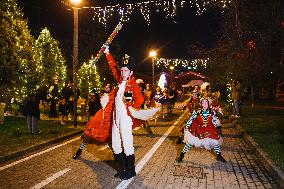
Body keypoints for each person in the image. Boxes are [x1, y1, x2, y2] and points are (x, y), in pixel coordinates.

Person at [176, 98, 226, 163]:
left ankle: (219, 156)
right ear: (201, 104)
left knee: (216, 142)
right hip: (198, 129)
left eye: (206, 103)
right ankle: (181, 155)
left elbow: (213, 121)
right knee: (189, 143)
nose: (204, 104)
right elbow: (191, 119)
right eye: (203, 103)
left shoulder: (212, 112)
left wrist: (215, 128)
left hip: (208, 129)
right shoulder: (197, 112)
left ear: (208, 104)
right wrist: (187, 127)